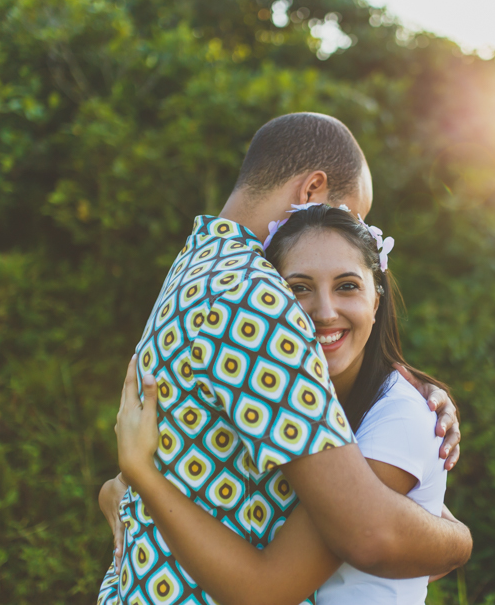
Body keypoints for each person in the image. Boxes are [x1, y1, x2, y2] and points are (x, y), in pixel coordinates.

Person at [96, 113, 469, 605]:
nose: (349, 235)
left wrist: (400, 390)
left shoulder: (198, 262)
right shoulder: (257, 298)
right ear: (313, 190)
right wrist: (459, 541)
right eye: (351, 216)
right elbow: (368, 535)